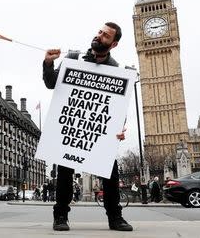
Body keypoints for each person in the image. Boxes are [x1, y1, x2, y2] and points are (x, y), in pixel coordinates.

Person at [43, 22, 133, 232]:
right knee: (65, 169)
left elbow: (117, 107)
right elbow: (50, 83)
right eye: (99, 32)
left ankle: (115, 217)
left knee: (110, 170)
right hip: (72, 125)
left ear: (114, 44)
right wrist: (48, 63)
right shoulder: (74, 58)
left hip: (98, 130)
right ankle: (60, 215)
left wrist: (121, 128)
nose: (99, 36)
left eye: (105, 35)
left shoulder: (115, 69)